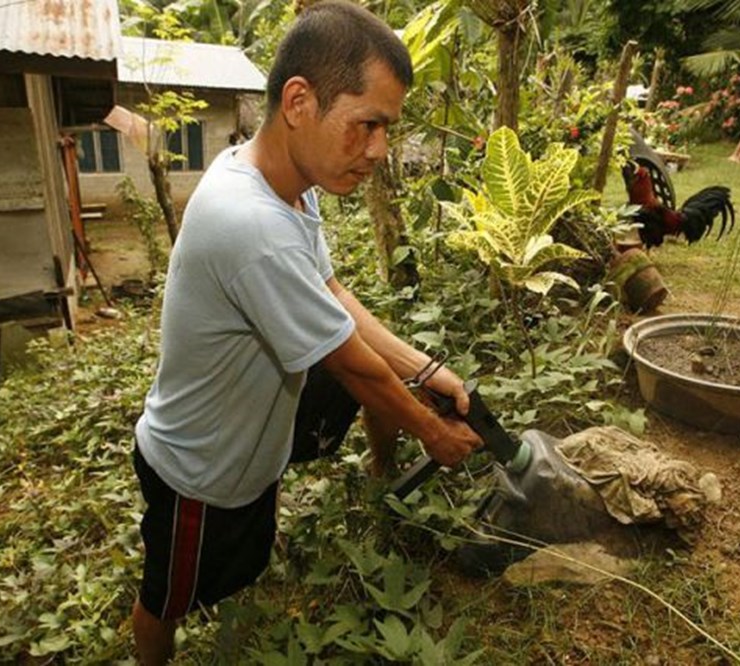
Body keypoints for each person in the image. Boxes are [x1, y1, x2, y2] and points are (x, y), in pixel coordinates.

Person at [129, 2, 482, 663]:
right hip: (198, 471)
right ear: (299, 101)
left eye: (387, 128)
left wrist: (428, 371)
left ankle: (364, 479)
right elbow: (352, 364)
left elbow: (331, 294)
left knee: (245, 558)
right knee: (165, 600)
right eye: (367, 125)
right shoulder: (249, 222)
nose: (379, 150)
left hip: (252, 444)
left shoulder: (288, 184)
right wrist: (431, 430)